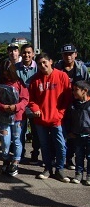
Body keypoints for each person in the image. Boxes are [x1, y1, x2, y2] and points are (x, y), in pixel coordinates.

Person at [29, 52, 71, 182]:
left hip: (57, 119)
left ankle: (60, 169)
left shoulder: (62, 76)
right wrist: (35, 108)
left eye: (44, 62)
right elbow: (31, 99)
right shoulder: (35, 79)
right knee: (45, 145)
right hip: (40, 120)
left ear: (50, 61)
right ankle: (47, 168)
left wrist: (60, 113)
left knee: (60, 145)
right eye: (40, 63)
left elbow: (67, 98)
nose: (43, 65)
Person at [55, 43, 90, 171]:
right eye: (65, 54)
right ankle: (63, 158)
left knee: (76, 132)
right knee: (64, 132)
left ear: (75, 54)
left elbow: (87, 85)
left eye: (70, 54)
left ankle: (73, 159)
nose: (68, 56)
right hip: (62, 103)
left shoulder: (81, 68)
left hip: (78, 104)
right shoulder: (58, 67)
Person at [0, 60, 29, 176]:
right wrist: (3, 106)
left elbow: (25, 99)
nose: (6, 75)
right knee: (5, 141)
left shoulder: (18, 82)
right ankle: (6, 159)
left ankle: (15, 162)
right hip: (3, 116)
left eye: (8, 72)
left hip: (18, 117)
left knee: (17, 140)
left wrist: (16, 106)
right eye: (4, 72)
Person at [15, 44, 39, 163]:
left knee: (36, 131)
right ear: (21, 54)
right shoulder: (15, 68)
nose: (27, 55)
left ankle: (35, 153)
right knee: (20, 131)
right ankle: (21, 153)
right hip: (20, 105)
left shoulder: (38, 68)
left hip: (35, 104)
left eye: (29, 52)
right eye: (24, 52)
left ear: (33, 54)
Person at [66, 80, 90, 185]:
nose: (73, 92)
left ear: (85, 91)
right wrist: (69, 131)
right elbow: (68, 119)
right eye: (73, 90)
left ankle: (89, 175)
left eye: (76, 90)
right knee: (79, 155)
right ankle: (78, 174)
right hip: (77, 135)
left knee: (89, 156)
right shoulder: (73, 105)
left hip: (88, 135)